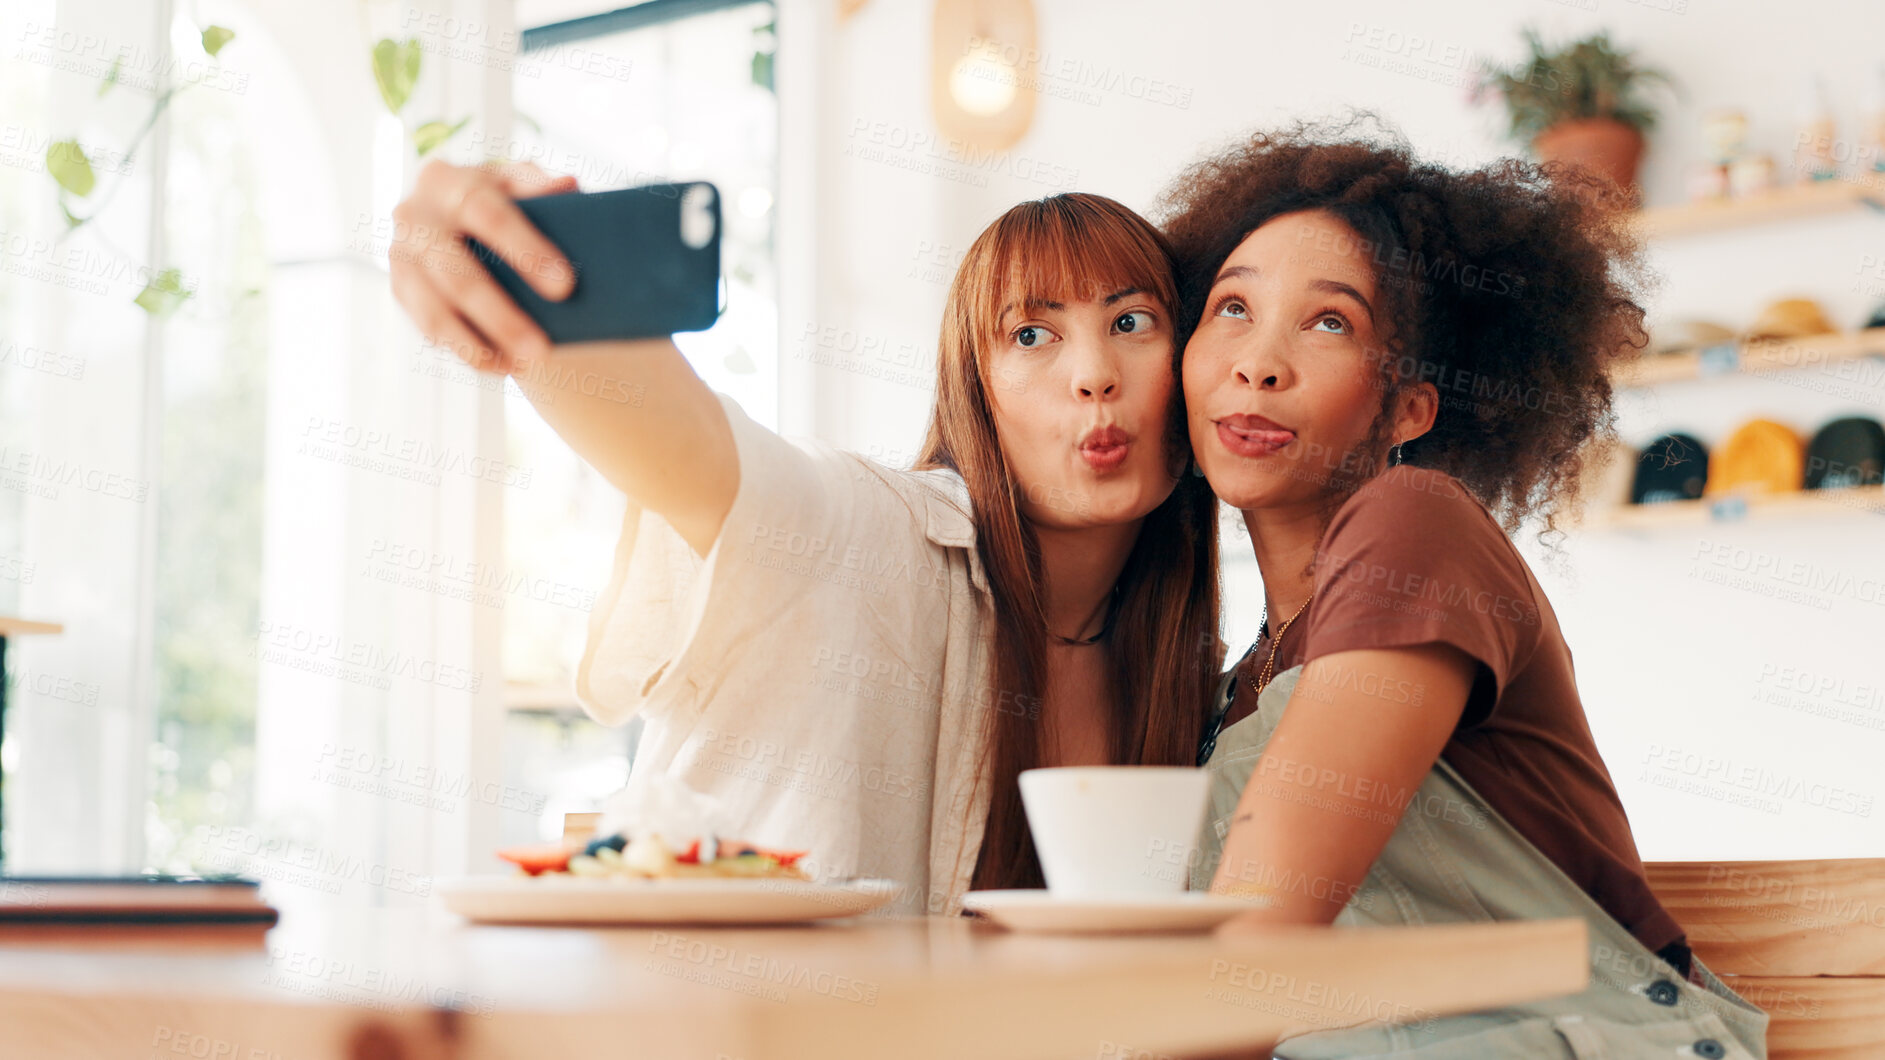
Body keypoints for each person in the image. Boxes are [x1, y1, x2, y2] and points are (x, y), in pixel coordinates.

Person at [386, 161, 1220, 914]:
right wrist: (508, 267)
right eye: (1030, 336)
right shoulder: (865, 534)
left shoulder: (1182, 680)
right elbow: (695, 452)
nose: (1093, 375)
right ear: (976, 391)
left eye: (1133, 321)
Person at [1163, 122, 1769, 1058]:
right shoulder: (1237, 679)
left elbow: (1257, 946)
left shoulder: (1415, 523)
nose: (1258, 362)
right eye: (1230, 309)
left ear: (1408, 407)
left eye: (1329, 322)